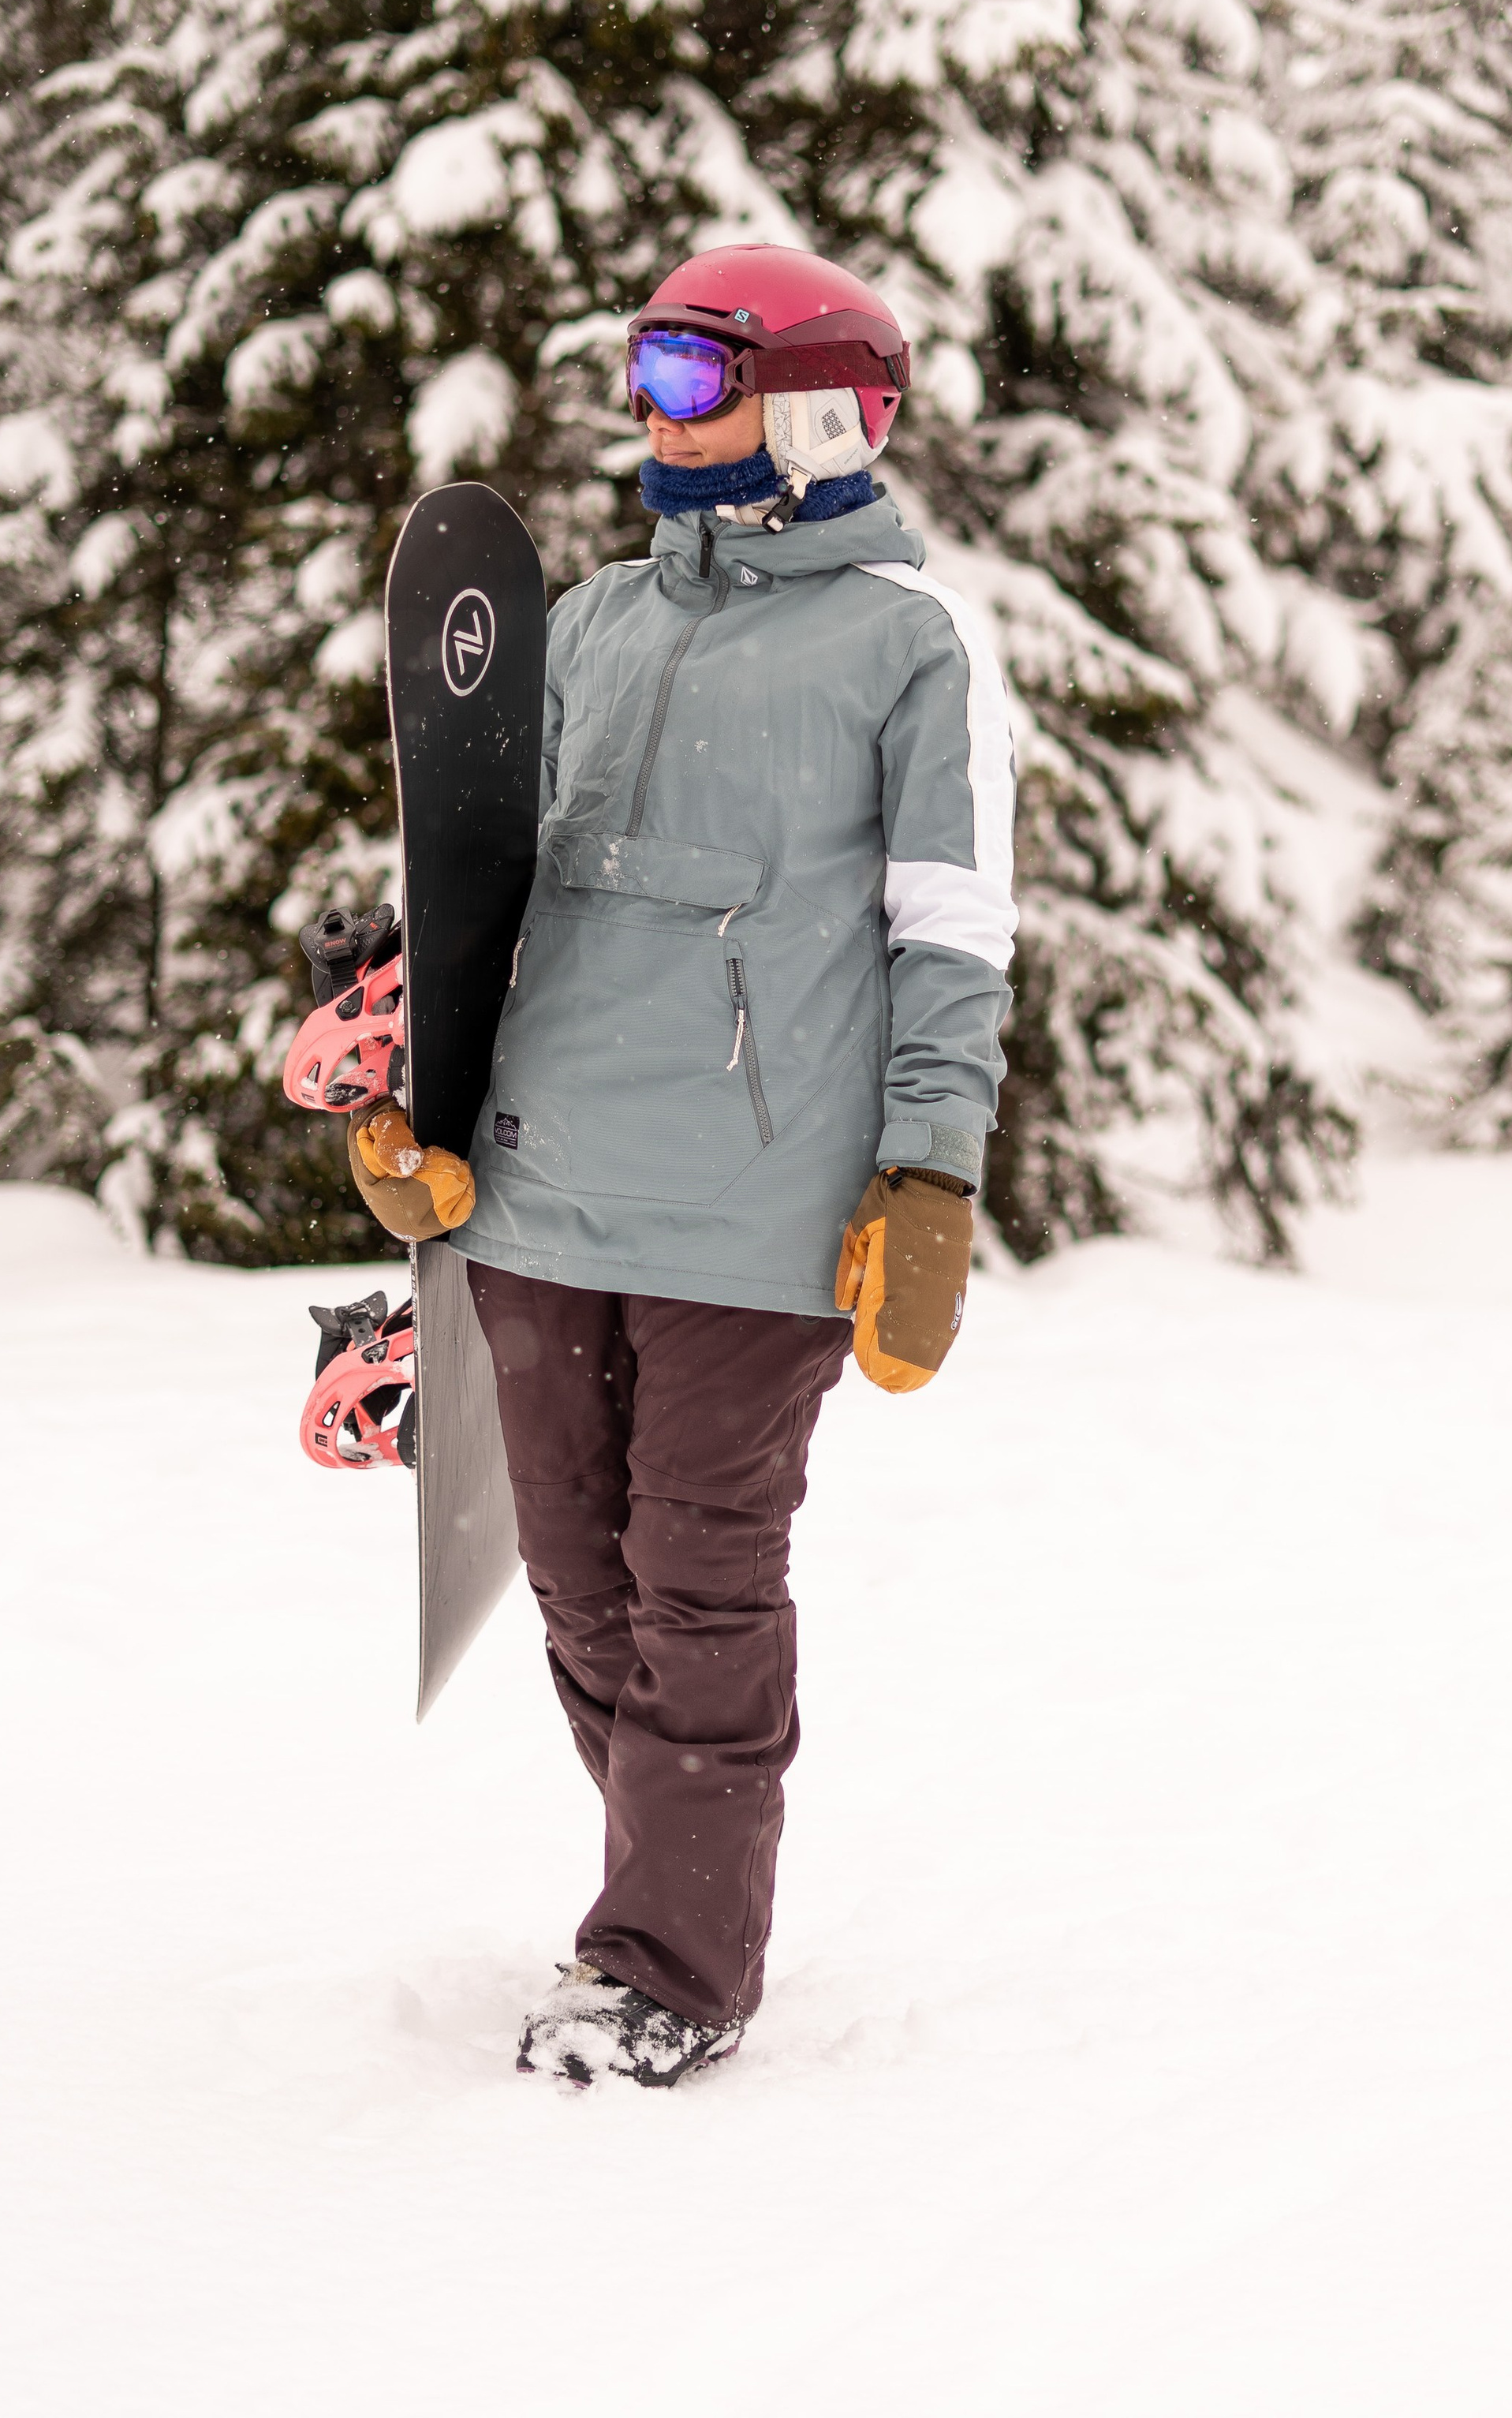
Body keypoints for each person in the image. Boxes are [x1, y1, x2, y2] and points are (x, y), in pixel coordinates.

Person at [355, 243, 1015, 2088]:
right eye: (641, 370)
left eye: (689, 374)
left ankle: (667, 1963)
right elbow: (487, 902)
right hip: (545, 1186)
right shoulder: (591, 624)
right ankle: (670, 1871)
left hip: (758, 1205)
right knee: (578, 1581)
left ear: (820, 413)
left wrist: (929, 1172)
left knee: (701, 1584)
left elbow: (950, 935)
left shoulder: (904, 648)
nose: (652, 410)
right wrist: (422, 1112)